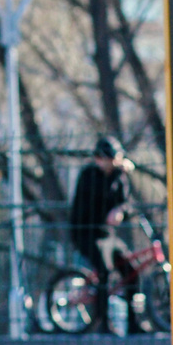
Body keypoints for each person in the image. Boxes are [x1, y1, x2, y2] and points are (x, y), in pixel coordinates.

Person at [66, 136, 139, 331]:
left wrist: (120, 211)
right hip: (86, 232)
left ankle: (133, 323)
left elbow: (125, 203)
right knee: (104, 271)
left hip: (107, 235)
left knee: (131, 271)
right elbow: (92, 202)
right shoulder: (89, 176)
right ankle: (103, 322)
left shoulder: (118, 176)